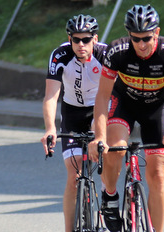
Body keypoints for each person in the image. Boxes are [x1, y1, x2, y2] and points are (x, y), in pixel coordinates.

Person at [88, 4, 164, 232]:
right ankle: (110, 195)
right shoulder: (117, 51)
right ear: (129, 35)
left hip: (158, 107)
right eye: (136, 38)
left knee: (159, 175)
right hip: (124, 103)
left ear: (157, 33)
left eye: (147, 38)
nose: (141, 44)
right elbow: (103, 96)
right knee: (116, 149)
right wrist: (99, 136)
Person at [40, 14, 107, 232]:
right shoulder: (60, 55)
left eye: (86, 39)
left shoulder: (105, 55)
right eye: (75, 39)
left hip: (99, 112)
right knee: (74, 175)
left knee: (105, 163)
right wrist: (50, 128)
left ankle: (107, 210)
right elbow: (51, 96)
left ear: (95, 39)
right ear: (69, 39)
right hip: (71, 113)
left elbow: (114, 95)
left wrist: (100, 133)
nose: (80, 45)